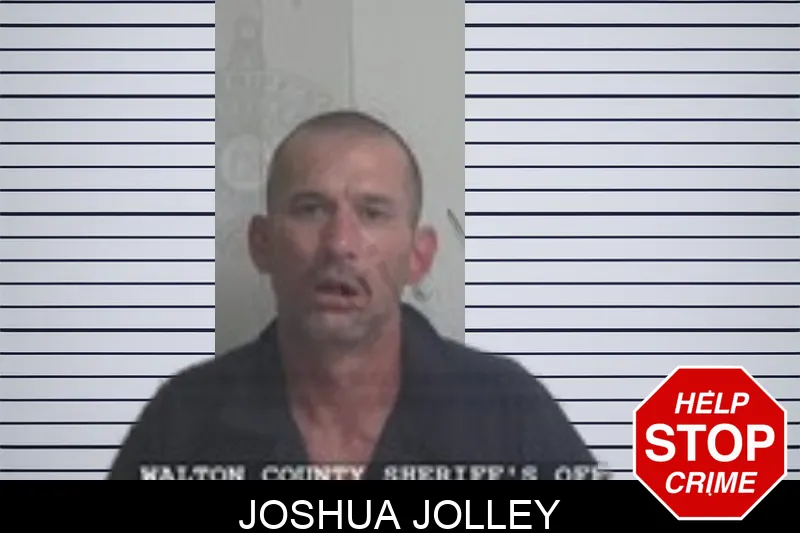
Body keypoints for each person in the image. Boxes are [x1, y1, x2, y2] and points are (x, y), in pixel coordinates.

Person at [107, 110, 596, 480]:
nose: (340, 243)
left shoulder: (506, 410)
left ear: (419, 256)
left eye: (373, 213)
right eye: (311, 209)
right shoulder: (183, 419)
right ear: (262, 244)